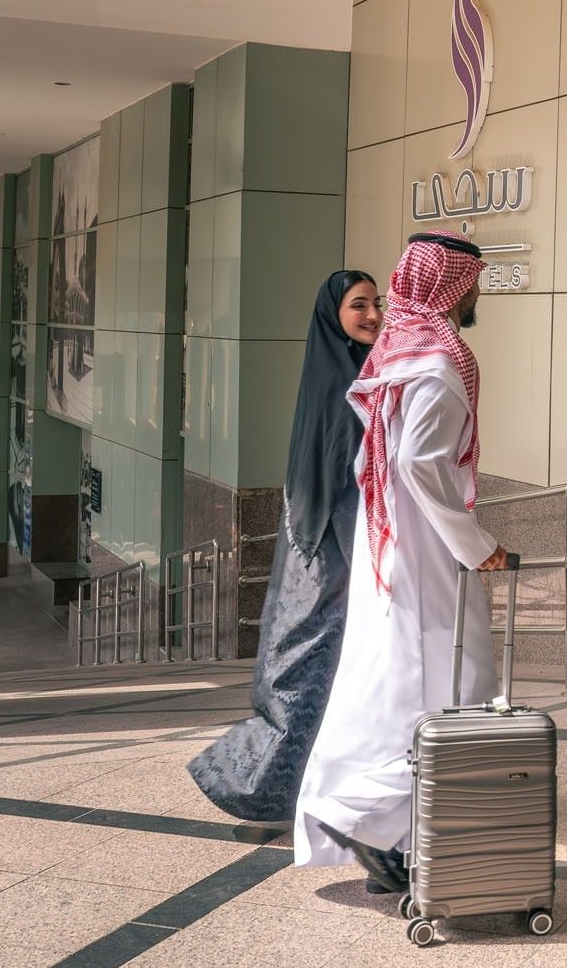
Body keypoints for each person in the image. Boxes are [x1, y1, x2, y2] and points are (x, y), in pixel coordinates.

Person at [294, 232, 508, 893]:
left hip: (391, 548)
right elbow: (417, 461)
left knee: (391, 690)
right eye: (469, 281)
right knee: (453, 687)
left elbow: (374, 460)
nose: (474, 293)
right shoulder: (439, 366)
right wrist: (475, 542)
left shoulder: (397, 355)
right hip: (423, 555)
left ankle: (401, 846)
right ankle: (360, 816)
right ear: (452, 284)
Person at [188, 270, 383, 822]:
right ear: (333, 316)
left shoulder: (344, 369)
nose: (372, 314)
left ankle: (289, 787)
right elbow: (346, 479)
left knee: (305, 664)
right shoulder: (343, 382)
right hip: (331, 551)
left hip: (319, 544)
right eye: (358, 305)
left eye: (377, 303)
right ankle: (258, 787)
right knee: (309, 667)